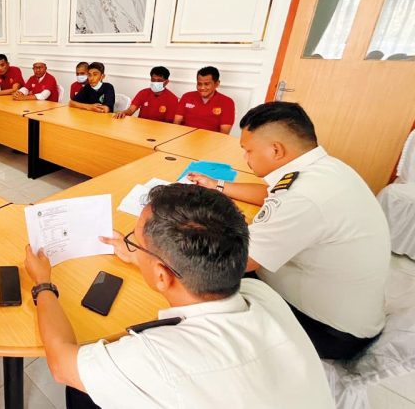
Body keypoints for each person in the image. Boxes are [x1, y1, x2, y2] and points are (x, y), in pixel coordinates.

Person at [23, 183, 334, 408]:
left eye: (135, 241)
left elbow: (61, 365)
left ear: (162, 275)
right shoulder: (261, 293)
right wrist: (140, 257)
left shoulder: (156, 356)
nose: (131, 245)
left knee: (83, 391)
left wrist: (43, 283)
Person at [187, 101, 390, 360]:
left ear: (276, 150)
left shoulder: (303, 196)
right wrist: (218, 186)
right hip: (351, 313)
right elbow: (271, 194)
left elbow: (237, 261)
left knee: (204, 277)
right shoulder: (323, 169)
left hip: (330, 331)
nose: (245, 158)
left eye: (248, 150)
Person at [174, 66, 235, 134]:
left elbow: (224, 133)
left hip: (211, 141)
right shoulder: (187, 96)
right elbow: (176, 122)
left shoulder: (227, 102)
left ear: (217, 84)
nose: (202, 88)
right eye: (199, 84)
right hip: (184, 138)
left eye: (207, 84)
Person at [114, 66, 178, 121]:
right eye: (153, 80)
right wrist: (123, 112)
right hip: (141, 127)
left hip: (160, 131)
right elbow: (131, 110)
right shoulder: (143, 93)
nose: (155, 82)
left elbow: (170, 122)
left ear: (166, 82)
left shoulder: (172, 99)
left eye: (159, 80)